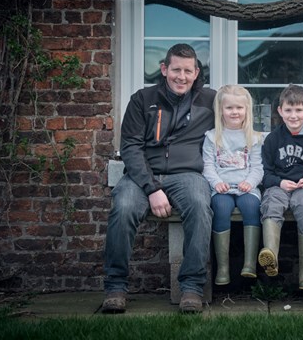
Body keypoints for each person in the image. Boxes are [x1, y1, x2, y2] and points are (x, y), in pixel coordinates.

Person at [102, 43, 216, 314]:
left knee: (200, 207)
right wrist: (152, 188)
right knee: (124, 207)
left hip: (187, 174)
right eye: (176, 69)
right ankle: (115, 287)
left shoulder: (210, 100)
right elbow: (130, 146)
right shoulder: (142, 99)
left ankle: (191, 288)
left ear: (197, 72)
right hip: (144, 175)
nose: (182, 76)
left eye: (188, 71)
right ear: (164, 69)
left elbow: (240, 116)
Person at [257, 85, 303, 290]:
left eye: (298, 110)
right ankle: (271, 257)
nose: (293, 116)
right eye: (288, 110)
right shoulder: (273, 139)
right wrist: (279, 182)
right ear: (280, 111)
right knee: (271, 203)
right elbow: (265, 173)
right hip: (279, 185)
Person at [202, 85, 264, 285]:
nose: (235, 112)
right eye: (229, 108)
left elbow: (258, 168)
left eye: (239, 108)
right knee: (220, 208)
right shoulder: (212, 137)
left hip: (247, 187)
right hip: (223, 188)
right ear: (221, 110)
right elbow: (207, 166)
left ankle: (249, 264)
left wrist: (250, 182)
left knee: (251, 207)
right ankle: (223, 268)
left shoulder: (254, 138)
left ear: (247, 110)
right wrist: (217, 182)